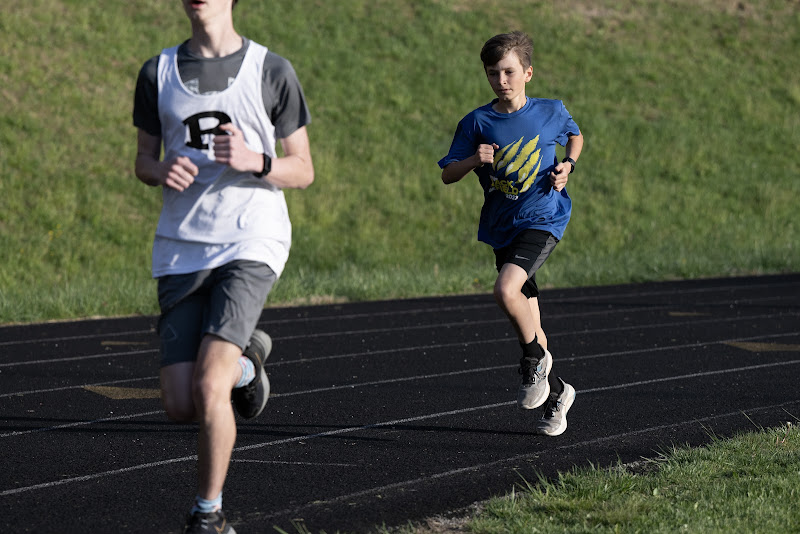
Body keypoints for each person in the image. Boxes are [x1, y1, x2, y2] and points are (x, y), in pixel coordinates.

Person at [132, 0, 313, 531]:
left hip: (250, 237)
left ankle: (208, 515)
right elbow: (142, 160)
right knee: (180, 403)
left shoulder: (271, 70)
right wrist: (161, 169)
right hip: (181, 243)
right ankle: (248, 360)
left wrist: (255, 161)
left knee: (210, 388)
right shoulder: (158, 71)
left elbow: (302, 168)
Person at [438, 31, 583, 437]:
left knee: (506, 291)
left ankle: (532, 362)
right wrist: (472, 159)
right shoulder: (477, 122)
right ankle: (558, 394)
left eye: (509, 72)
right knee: (530, 322)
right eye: (492, 73)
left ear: (527, 73)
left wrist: (567, 165)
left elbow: (575, 134)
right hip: (503, 226)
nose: (501, 80)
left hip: (543, 219)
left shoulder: (550, 111)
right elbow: (448, 174)